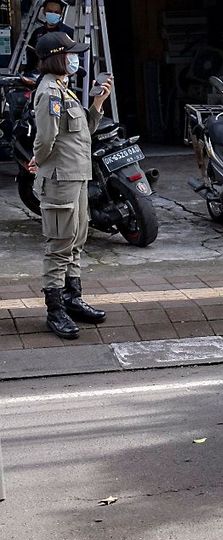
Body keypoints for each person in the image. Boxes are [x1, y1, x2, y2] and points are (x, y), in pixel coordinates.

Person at [29, 31, 113, 339]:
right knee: (59, 244)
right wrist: (39, 162)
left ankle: (72, 298)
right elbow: (45, 139)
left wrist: (98, 103)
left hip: (77, 175)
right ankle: (55, 309)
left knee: (76, 239)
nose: (76, 58)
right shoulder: (49, 92)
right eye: (72, 54)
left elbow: (82, 134)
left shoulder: (65, 90)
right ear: (58, 57)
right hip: (60, 179)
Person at [25, 0, 73, 72]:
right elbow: (31, 57)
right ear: (44, 11)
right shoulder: (37, 33)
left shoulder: (69, 33)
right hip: (39, 74)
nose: (53, 14)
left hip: (60, 75)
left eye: (56, 12)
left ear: (61, 14)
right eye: (50, 11)